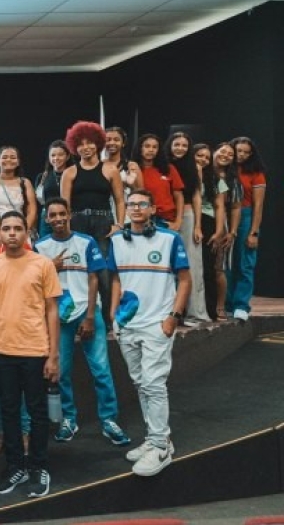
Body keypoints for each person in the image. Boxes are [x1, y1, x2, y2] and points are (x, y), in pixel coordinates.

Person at [35, 198, 130, 447]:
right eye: (52, 215)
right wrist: (50, 268)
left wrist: (89, 315)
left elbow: (94, 279)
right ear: (46, 219)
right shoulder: (40, 247)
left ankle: (109, 419)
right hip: (58, 315)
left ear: (69, 215)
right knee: (62, 370)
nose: (58, 218)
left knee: (101, 368)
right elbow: (35, 283)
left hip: (87, 310)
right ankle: (69, 418)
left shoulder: (86, 241)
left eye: (61, 214)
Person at [109, 190, 190, 477]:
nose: (136, 208)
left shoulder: (169, 239)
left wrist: (173, 317)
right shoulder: (117, 241)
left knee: (154, 384)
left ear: (153, 208)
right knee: (141, 383)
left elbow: (184, 280)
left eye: (142, 204)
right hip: (127, 324)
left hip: (157, 323)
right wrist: (113, 314)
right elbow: (116, 278)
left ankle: (160, 446)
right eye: (131, 204)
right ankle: (154, 437)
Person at [0, 211, 61, 499]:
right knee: (9, 411)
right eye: (7, 228)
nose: (12, 233)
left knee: (38, 412)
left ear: (27, 232)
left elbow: (52, 310)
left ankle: (38, 466)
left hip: (35, 350)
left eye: (18, 228)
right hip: (3, 350)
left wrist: (53, 354)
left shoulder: (42, 264)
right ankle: (15, 466)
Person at [62, 121, 125, 322]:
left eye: (90, 142)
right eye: (80, 144)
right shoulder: (69, 172)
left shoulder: (110, 169)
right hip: (77, 223)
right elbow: (64, 206)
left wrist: (119, 225)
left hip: (103, 223)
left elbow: (120, 200)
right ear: (74, 147)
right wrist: (67, 230)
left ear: (98, 144)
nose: (85, 147)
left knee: (104, 273)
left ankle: (107, 320)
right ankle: (80, 318)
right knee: (79, 272)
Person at [166, 133, 208, 324]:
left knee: (192, 265)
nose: (180, 148)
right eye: (177, 144)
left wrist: (198, 225)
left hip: (189, 216)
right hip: (166, 217)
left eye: (184, 145)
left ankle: (194, 313)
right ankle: (171, 312)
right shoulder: (163, 164)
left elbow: (197, 196)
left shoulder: (195, 167)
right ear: (170, 145)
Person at [227, 136, 267, 322]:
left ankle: (241, 305)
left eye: (245, 152)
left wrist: (254, 232)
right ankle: (226, 304)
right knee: (226, 263)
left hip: (246, 216)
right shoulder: (226, 168)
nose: (241, 154)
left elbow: (258, 206)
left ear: (251, 154)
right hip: (225, 215)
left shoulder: (256, 173)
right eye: (238, 151)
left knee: (245, 263)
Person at [203, 143, 241, 320]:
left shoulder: (231, 180)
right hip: (199, 222)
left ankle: (219, 306)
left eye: (230, 154)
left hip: (219, 225)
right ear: (215, 151)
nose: (225, 155)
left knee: (218, 268)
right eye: (222, 151)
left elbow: (235, 207)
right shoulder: (202, 171)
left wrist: (231, 232)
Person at [131, 134, 185, 229]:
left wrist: (178, 221)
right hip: (142, 219)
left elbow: (179, 196)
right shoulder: (132, 170)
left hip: (167, 220)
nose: (151, 150)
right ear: (140, 148)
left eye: (154, 147)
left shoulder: (168, 168)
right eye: (147, 146)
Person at [0, 146, 39, 234]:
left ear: (18, 162)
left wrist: (24, 229)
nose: (9, 160)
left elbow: (32, 211)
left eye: (13, 157)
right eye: (4, 157)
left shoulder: (25, 182)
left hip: (19, 229)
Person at [36, 141, 71, 238]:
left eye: (60, 155)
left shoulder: (73, 174)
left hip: (67, 216)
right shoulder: (42, 177)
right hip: (47, 217)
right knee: (45, 243)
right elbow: (38, 201)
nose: (56, 158)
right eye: (53, 155)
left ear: (67, 156)